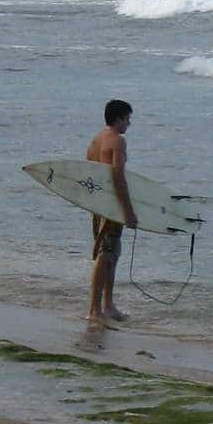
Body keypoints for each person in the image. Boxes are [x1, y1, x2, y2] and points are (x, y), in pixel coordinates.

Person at [84, 98, 137, 325]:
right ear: (118, 119)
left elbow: (88, 174)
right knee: (106, 256)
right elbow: (118, 177)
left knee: (111, 254)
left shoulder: (96, 140)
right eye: (127, 118)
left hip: (99, 205)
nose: (129, 123)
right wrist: (127, 211)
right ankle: (95, 309)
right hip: (112, 207)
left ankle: (108, 305)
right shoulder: (117, 141)